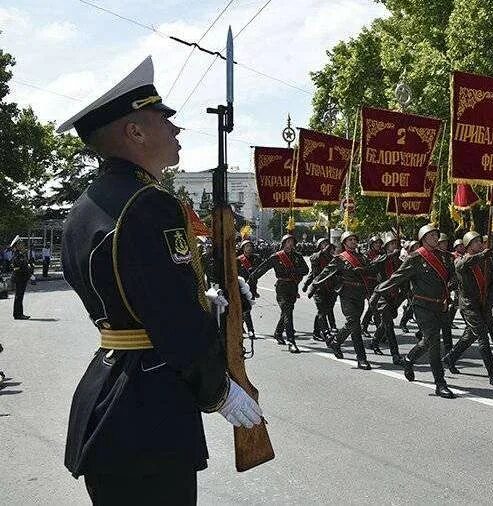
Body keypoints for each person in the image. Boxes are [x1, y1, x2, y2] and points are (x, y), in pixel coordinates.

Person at [57, 56, 262, 503]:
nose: (177, 131)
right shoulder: (149, 203)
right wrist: (219, 390)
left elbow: (134, 297)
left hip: (113, 396)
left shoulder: (87, 206)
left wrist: (204, 297)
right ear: (135, 132)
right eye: (164, 120)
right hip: (147, 408)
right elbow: (172, 321)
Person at [376, 224, 456, 399]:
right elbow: (397, 277)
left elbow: (453, 277)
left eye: (437, 235)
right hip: (422, 306)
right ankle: (440, 384)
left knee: (428, 341)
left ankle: (409, 359)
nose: (437, 238)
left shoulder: (445, 258)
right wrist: (379, 292)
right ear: (423, 238)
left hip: (441, 306)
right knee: (433, 342)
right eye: (433, 235)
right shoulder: (415, 258)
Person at [442, 231, 493, 388]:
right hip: (469, 305)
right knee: (482, 338)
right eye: (476, 242)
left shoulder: (487, 261)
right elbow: (462, 265)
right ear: (468, 246)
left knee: (469, 336)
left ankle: (450, 358)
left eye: (480, 241)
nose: (480, 244)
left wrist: (490, 301)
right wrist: (482, 256)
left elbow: (492, 283)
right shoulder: (460, 260)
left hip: (483, 304)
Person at [315, 231, 379, 370]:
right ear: (344, 243)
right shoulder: (340, 258)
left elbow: (372, 270)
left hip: (359, 294)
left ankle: (336, 341)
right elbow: (327, 271)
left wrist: (364, 269)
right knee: (354, 323)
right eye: (350, 240)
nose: (353, 242)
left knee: (354, 325)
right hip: (347, 294)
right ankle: (361, 358)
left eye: (354, 240)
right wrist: (315, 283)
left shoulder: (362, 257)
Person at [250, 234, 309, 351]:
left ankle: (278, 332)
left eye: (292, 242)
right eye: (288, 242)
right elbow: (262, 269)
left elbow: (306, 270)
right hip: (282, 287)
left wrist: (294, 270)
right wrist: (251, 281)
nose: (290, 244)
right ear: (283, 243)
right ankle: (291, 341)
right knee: (288, 313)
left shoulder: (297, 256)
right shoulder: (276, 257)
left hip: (293, 286)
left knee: (287, 311)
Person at [368, 232, 405, 364]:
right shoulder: (381, 258)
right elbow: (374, 263)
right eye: (391, 244)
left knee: (385, 323)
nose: (394, 246)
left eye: (395, 243)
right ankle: (395, 354)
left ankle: (374, 342)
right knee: (389, 325)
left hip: (394, 296)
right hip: (382, 295)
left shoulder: (400, 261)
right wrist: (390, 255)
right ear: (386, 246)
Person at [304, 238, 337, 341]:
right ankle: (325, 332)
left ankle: (316, 332)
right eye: (323, 244)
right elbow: (312, 273)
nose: (326, 245)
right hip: (319, 288)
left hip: (330, 288)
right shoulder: (316, 257)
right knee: (322, 310)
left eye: (327, 244)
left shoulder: (332, 258)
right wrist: (306, 284)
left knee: (323, 311)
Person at [236, 239, 261, 339]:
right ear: (243, 248)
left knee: (245, 309)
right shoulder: (238, 260)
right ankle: (251, 331)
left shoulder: (256, 259)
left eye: (250, 246)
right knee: (247, 310)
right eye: (247, 247)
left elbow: (259, 271)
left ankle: (240, 326)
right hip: (242, 288)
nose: (249, 248)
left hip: (252, 288)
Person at [10, 236, 34, 320]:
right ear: (16, 246)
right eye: (20, 244)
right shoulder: (17, 255)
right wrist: (27, 273)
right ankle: (18, 315)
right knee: (18, 297)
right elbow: (17, 268)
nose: (22, 245)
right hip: (19, 278)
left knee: (20, 297)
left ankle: (19, 314)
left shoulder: (20, 254)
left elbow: (24, 266)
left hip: (21, 278)